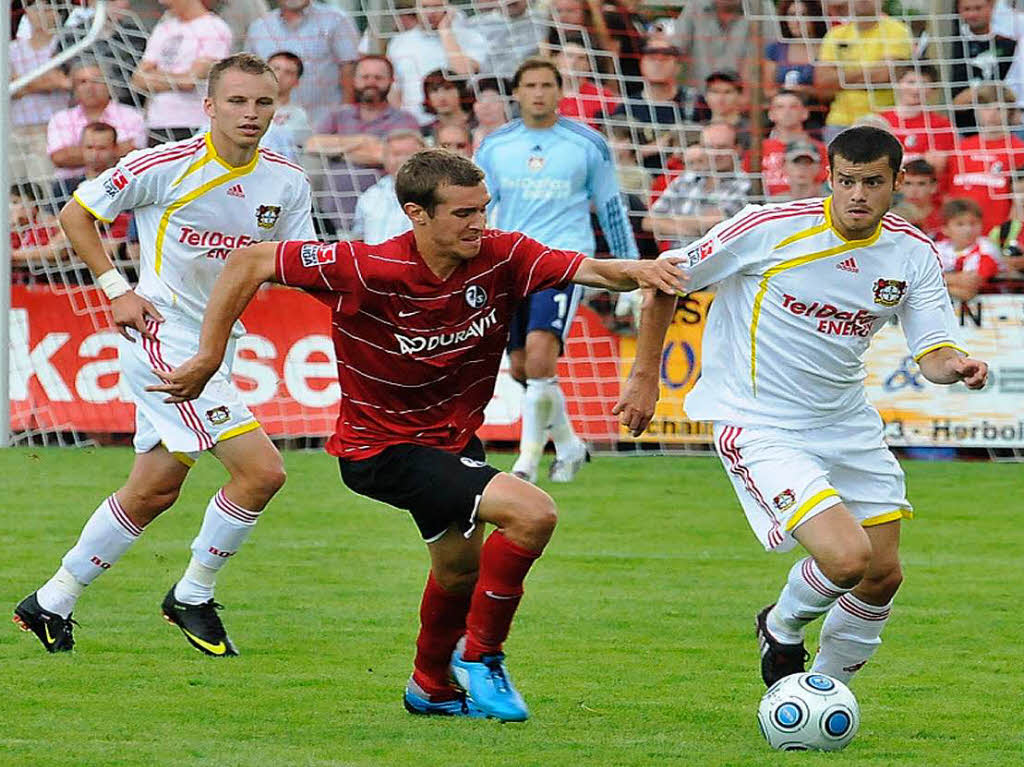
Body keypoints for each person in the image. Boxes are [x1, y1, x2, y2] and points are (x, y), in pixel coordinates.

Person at [145, 148, 684, 721]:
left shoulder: (504, 254)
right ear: (416, 214)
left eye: (483, 209)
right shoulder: (366, 265)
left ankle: (429, 686)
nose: (479, 223)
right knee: (534, 514)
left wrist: (646, 283)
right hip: (379, 450)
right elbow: (250, 260)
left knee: (458, 571)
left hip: (450, 443)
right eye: (462, 213)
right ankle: (483, 657)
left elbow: (603, 271)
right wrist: (208, 355)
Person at [614, 126, 989, 691]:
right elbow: (666, 280)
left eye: (872, 182)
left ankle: (823, 691)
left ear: (898, 183)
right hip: (760, 423)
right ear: (829, 177)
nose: (858, 194)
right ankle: (782, 625)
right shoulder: (768, 227)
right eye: (847, 181)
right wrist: (644, 379)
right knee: (845, 560)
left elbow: (932, 347)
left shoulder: (912, 252)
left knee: (882, 575)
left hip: (846, 422)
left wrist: (956, 365)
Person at [12, 53, 316, 657]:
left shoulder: (288, 182)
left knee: (153, 490)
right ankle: (192, 595)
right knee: (262, 472)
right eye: (236, 101)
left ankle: (51, 601)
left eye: (262, 102)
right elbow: (77, 214)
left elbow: (298, 264)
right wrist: (115, 290)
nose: (250, 113)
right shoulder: (163, 164)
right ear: (208, 107)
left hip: (219, 344)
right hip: (162, 335)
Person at [475, 58, 640, 484]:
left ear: (559, 91)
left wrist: (630, 272)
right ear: (517, 92)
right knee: (520, 367)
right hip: (509, 264)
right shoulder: (494, 146)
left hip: (563, 263)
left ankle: (526, 463)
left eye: (546, 84)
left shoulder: (587, 144)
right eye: (529, 85)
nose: (538, 93)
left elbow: (610, 207)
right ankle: (569, 445)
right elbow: (479, 209)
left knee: (539, 354)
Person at [305, 55, 420, 234]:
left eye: (378, 77)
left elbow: (385, 155)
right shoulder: (338, 115)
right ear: (354, 80)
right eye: (365, 77)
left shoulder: (404, 120)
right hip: (330, 218)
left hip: (380, 219)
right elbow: (312, 144)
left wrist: (335, 149)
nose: (371, 82)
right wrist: (363, 141)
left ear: (391, 81)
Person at [131, 0, 233, 144]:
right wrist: (177, 78)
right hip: (156, 123)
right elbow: (137, 80)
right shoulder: (163, 28)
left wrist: (154, 75)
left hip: (193, 124)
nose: (162, 2)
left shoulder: (214, 28)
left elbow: (190, 82)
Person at [245, 0, 359, 127]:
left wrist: (344, 119)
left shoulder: (336, 20)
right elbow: (250, 76)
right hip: (272, 129)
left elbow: (350, 69)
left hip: (323, 126)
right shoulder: (259, 27)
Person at [48, 59, 147, 205]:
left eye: (96, 81)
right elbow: (59, 157)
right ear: (74, 88)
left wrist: (77, 153)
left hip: (120, 184)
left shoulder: (132, 115)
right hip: (69, 187)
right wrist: (110, 151)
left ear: (109, 84)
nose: (89, 87)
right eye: (82, 82)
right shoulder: (60, 118)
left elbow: (133, 153)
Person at [815, 0, 912, 140]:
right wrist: (871, 72)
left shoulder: (897, 30)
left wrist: (841, 79)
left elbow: (886, 75)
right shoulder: (836, 34)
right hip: (840, 121)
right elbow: (823, 81)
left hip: (883, 119)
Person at [386, 0, 489, 127]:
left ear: (450, 8)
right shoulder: (399, 42)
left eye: (437, 6)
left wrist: (445, 31)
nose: (430, 13)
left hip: (461, 123)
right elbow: (395, 89)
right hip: (415, 124)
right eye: (425, 7)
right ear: (415, 9)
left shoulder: (471, 37)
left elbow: (463, 72)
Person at [946, 84, 1024, 232]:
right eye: (985, 107)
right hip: (961, 234)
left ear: (1010, 112)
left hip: (998, 233)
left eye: (999, 109)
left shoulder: (1018, 150)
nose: (992, 114)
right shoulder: (961, 148)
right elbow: (949, 193)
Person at [744, 90, 827, 199]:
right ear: (771, 114)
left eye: (793, 107)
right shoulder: (758, 149)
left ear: (805, 113)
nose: (787, 112)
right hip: (766, 205)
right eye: (780, 107)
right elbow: (745, 181)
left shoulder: (820, 149)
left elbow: (825, 184)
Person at [878, 66, 956, 177]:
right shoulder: (880, 121)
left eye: (924, 83)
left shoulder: (940, 125)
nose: (916, 89)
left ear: (933, 89)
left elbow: (936, 167)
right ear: (897, 84)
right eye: (911, 82)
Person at [352, 129, 425, 243]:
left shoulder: (434, 194)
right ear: (384, 158)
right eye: (396, 154)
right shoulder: (370, 196)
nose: (402, 160)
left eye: (408, 154)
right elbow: (358, 237)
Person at [937, 197, 1005, 300]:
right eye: (960, 224)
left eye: (973, 223)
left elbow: (968, 289)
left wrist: (935, 284)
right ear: (945, 229)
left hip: (992, 307)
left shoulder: (987, 249)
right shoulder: (937, 249)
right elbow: (918, 278)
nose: (968, 230)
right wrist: (955, 279)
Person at [261, 51, 313, 161]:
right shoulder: (245, 108)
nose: (279, 76)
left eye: (288, 72)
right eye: (275, 69)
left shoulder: (299, 116)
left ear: (297, 82)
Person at [895, 159, 943, 239]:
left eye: (921, 184)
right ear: (900, 185)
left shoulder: (944, 217)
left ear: (934, 187)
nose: (914, 191)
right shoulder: (891, 218)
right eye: (908, 184)